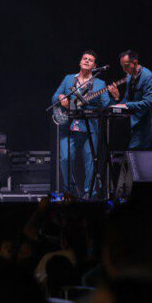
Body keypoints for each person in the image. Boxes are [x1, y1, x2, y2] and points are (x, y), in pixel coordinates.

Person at [52, 50, 109, 197]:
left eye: (90, 60)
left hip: (89, 127)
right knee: (65, 158)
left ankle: (88, 194)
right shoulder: (68, 79)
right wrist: (61, 96)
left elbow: (106, 104)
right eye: (85, 58)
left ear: (95, 66)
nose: (87, 61)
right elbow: (54, 98)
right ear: (80, 62)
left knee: (90, 163)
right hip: (68, 127)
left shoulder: (99, 83)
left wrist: (114, 96)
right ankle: (69, 190)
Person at [108, 50, 152, 149]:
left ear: (135, 62)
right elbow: (128, 98)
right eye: (122, 66)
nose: (124, 69)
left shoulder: (148, 77)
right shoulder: (130, 76)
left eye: (126, 66)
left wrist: (127, 105)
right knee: (133, 153)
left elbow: (148, 102)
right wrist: (116, 102)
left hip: (148, 123)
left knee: (138, 154)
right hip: (137, 122)